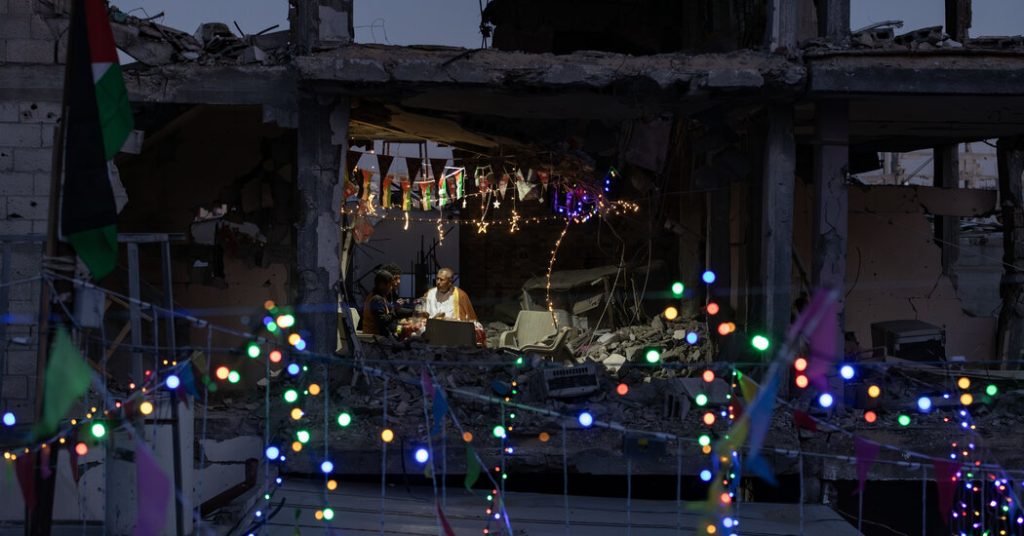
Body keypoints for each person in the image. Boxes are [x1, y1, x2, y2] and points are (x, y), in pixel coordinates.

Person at [362, 270, 402, 337]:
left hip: (380, 336)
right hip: (375, 338)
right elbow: (383, 321)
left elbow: (390, 308)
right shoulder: (377, 299)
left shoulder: (380, 296)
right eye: (390, 285)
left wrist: (411, 312)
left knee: (400, 330)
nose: (391, 288)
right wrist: (395, 309)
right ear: (382, 285)